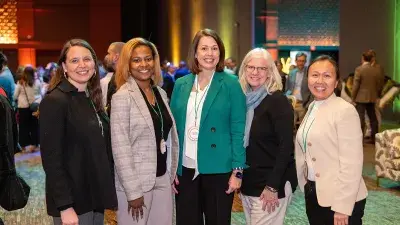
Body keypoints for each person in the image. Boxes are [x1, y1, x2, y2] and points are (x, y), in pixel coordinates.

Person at [170, 28, 246, 225]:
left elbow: (238, 129)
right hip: (185, 169)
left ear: (220, 53)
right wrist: (172, 169)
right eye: (204, 48)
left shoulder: (231, 83)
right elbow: (173, 130)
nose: (209, 53)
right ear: (195, 53)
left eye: (214, 48)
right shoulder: (181, 84)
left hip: (218, 168)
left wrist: (237, 171)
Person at [40, 39, 117, 225]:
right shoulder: (56, 101)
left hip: (94, 196)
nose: (82, 65)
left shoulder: (91, 97)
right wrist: (65, 207)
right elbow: (52, 161)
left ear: (94, 63)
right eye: (74, 61)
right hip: (73, 202)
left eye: (87, 59)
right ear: (64, 66)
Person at [111, 37, 179, 225]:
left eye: (148, 58)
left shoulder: (160, 93)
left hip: (162, 178)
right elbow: (120, 147)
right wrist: (133, 192)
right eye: (136, 59)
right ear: (128, 64)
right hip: (136, 185)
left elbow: (166, 135)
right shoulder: (122, 97)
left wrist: (170, 173)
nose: (144, 64)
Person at [295, 55, 367, 225]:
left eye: (327, 76)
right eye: (315, 75)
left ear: (336, 82)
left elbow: (352, 164)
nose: (320, 81)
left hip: (340, 201)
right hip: (316, 194)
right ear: (308, 79)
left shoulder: (344, 111)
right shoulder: (313, 106)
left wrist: (342, 206)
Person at [238, 48, 297, 225]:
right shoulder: (243, 100)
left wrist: (272, 186)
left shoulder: (277, 101)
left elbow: (286, 147)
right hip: (248, 183)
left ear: (270, 72)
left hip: (271, 186)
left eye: (262, 68)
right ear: (244, 69)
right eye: (251, 67)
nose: (255, 72)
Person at [352, 51, 384, 143]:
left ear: (363, 58)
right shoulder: (376, 70)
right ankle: (375, 139)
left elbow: (356, 85)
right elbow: (380, 84)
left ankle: (359, 140)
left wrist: (353, 97)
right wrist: (377, 94)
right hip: (372, 97)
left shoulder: (359, 69)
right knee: (373, 118)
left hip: (360, 98)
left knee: (360, 119)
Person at [13, 66, 41, 153]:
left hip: (23, 108)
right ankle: (34, 145)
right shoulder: (37, 82)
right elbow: (40, 94)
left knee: (23, 127)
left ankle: (24, 146)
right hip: (33, 107)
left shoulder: (20, 83)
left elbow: (15, 96)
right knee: (34, 126)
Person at [286, 52, 312, 123]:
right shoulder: (291, 73)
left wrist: (308, 104)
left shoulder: (309, 73)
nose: (301, 63)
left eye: (303, 61)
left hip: (303, 104)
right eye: (299, 61)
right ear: (296, 61)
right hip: (292, 104)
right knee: (290, 125)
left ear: (305, 61)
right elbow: (287, 88)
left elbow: (312, 90)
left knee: (302, 127)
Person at [101, 42, 124, 109]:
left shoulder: (120, 78)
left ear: (116, 57)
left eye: (109, 53)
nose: (107, 56)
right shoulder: (116, 76)